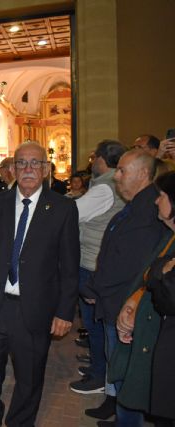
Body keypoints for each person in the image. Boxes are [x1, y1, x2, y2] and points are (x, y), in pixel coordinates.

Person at [0, 141, 79, 427]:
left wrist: (65, 312)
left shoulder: (62, 208)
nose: (28, 169)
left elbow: (70, 267)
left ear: (45, 169)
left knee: (29, 374)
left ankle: (20, 422)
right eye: (22, 163)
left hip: (35, 308)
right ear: (12, 169)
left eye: (35, 163)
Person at [82, 148, 165, 426]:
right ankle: (120, 417)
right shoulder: (137, 204)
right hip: (114, 300)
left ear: (143, 174)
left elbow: (128, 265)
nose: (116, 177)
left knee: (127, 373)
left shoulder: (148, 210)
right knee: (117, 366)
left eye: (122, 171)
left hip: (123, 304)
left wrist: (95, 289)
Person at [108, 170, 175, 427]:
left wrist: (160, 274)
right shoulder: (168, 236)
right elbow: (150, 277)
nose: (157, 201)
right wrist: (135, 300)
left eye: (162, 196)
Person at [67, 141, 126, 420]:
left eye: (94, 157)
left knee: (96, 324)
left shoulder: (105, 186)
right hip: (94, 260)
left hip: (92, 264)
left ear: (103, 159)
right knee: (95, 324)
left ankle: (99, 376)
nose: (92, 162)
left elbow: (74, 214)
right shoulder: (105, 183)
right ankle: (98, 368)